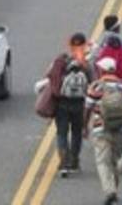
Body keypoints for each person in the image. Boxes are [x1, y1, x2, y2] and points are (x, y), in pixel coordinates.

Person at [85, 56, 122, 205]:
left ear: (102, 70)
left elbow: (88, 108)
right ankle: (114, 190)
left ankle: (109, 191)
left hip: (101, 128)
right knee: (115, 160)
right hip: (120, 128)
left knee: (102, 161)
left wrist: (84, 126)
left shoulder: (95, 87)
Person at [45, 32, 92, 177]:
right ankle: (74, 162)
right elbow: (92, 82)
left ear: (70, 45)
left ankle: (64, 164)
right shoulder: (86, 64)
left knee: (62, 133)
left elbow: (51, 77)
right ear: (84, 45)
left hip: (62, 104)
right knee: (77, 133)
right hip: (79, 104)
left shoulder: (61, 60)